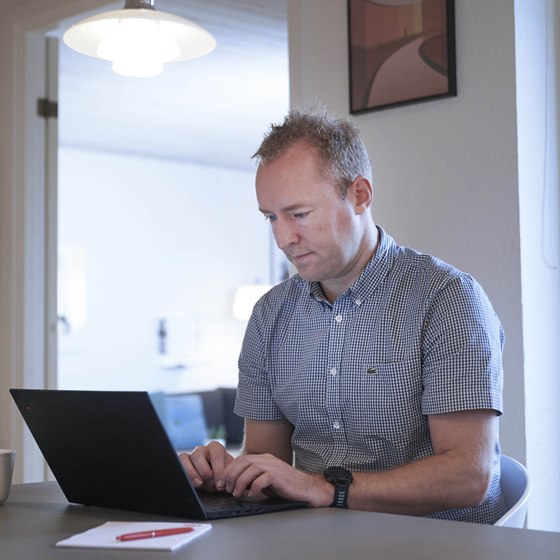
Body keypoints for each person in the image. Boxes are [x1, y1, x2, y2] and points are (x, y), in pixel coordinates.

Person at [180, 106, 506, 524]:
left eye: (299, 214)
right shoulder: (269, 315)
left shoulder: (447, 300)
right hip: (313, 542)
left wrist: (322, 488)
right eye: (271, 218)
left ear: (360, 195)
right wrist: (226, 476)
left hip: (434, 544)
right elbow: (267, 462)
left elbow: (468, 476)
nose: (283, 238)